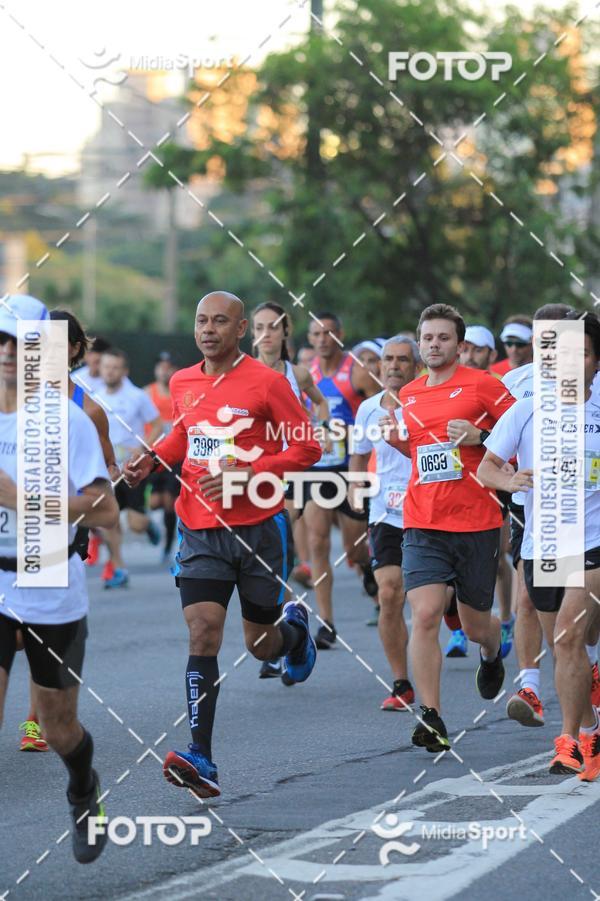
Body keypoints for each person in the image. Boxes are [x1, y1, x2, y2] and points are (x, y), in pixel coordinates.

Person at [123, 291, 321, 798]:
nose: (208, 329)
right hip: (201, 528)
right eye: (201, 321)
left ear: (240, 331)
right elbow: (185, 433)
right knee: (203, 634)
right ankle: (201, 756)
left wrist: (251, 470)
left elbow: (306, 447)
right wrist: (155, 458)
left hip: (258, 527)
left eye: (220, 322)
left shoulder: (269, 383)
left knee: (260, 644)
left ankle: (294, 634)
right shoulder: (183, 381)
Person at [0, 294, 119, 862]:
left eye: (17, 343)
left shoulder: (65, 418)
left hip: (46, 572)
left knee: (57, 728)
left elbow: (104, 511)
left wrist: (18, 499)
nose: (4, 353)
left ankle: (82, 786)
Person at [383, 303, 514, 752]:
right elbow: (425, 457)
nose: (434, 344)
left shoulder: (485, 387)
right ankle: (431, 716)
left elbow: (522, 441)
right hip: (423, 521)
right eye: (427, 338)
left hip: (477, 521)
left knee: (477, 625)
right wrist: (397, 441)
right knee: (424, 614)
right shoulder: (411, 393)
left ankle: (493, 648)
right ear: (419, 344)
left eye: (443, 338)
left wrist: (482, 438)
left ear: (460, 345)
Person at [478, 311, 600, 779]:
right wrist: (511, 478)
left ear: (595, 363)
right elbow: (487, 466)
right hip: (543, 544)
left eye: (583, 353)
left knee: (569, 636)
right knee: (566, 648)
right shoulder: (528, 409)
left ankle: (569, 741)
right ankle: (590, 726)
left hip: (593, 544)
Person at [16, 310, 120, 754]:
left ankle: (36, 719)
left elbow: (107, 467)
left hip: (54, 532)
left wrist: (103, 485)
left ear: (77, 350)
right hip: (9, 525)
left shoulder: (88, 409)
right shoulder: (11, 398)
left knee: (26, 630)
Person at [251, 301, 330, 678]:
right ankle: (281, 631)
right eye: (259, 327)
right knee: (265, 562)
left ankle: (280, 640)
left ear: (285, 333)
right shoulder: (240, 373)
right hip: (253, 470)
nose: (266, 334)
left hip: (290, 468)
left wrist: (323, 430)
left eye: (273, 327)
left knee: (277, 553)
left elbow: (321, 403)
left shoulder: (296, 373)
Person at [349, 336, 419, 710]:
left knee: (441, 608)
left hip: (430, 512)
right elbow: (359, 456)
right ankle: (402, 684)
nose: (393, 366)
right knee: (389, 593)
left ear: (416, 367)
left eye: (402, 360)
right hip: (385, 514)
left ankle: (481, 638)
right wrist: (356, 492)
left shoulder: (428, 405)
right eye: (387, 359)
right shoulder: (367, 410)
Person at [305, 313, 381, 650]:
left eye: (328, 333)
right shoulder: (305, 373)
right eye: (316, 334)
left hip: (351, 469)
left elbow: (382, 408)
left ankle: (367, 569)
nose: (322, 339)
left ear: (340, 335)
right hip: (318, 468)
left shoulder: (356, 371)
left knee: (354, 548)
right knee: (318, 543)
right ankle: (326, 621)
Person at [446, 323, 515, 660]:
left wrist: (481, 434)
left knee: (499, 556)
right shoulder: (444, 385)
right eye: (466, 348)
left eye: (478, 349)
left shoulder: (494, 386)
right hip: (449, 488)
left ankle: (504, 619)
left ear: (490, 354)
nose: (470, 355)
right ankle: (459, 628)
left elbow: (514, 431)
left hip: (490, 482)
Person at [95, 348, 163, 588]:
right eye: (106, 367)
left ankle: (148, 525)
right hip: (106, 468)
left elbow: (156, 425)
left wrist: (142, 448)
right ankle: (119, 568)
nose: (110, 371)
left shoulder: (137, 396)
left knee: (134, 523)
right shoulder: (95, 396)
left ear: (124, 371)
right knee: (108, 520)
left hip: (131, 468)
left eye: (115, 367)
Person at [145, 352, 180, 564]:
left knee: (169, 502)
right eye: (161, 366)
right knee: (154, 501)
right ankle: (152, 526)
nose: (165, 371)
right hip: (153, 453)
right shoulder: (147, 393)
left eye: (169, 367)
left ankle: (168, 544)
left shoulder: (180, 392)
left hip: (174, 455)